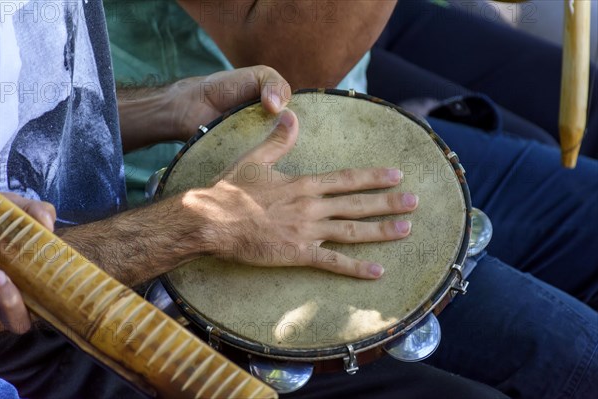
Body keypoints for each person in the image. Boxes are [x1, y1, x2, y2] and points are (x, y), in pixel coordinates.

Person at [0, 1, 512, 399]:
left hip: (123, 244)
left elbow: (41, 118)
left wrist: (171, 103)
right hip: (50, 345)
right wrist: (196, 224)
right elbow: (15, 289)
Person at [102, 1, 598, 398]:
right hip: (197, 182)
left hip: (321, 114)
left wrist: (171, 103)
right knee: (581, 362)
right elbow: (296, 58)